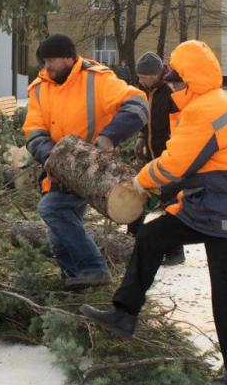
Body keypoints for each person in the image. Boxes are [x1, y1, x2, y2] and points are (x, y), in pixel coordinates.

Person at [80, 40, 227, 385]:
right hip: (218, 204)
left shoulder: (206, 109)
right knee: (153, 237)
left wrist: (139, 183)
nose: (170, 85)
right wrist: (175, 204)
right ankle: (124, 314)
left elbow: (175, 164)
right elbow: (205, 170)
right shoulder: (205, 104)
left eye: (175, 79)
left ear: (190, 79)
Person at [23, 34, 148, 290]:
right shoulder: (39, 87)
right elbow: (34, 130)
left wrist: (109, 137)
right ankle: (75, 282)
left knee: (52, 210)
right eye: (44, 60)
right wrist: (51, 156)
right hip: (57, 168)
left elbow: (137, 104)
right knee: (59, 228)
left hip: (92, 167)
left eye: (52, 60)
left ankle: (93, 268)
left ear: (70, 58)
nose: (47, 66)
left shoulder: (97, 79)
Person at [129, 51, 184, 266]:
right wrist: (142, 136)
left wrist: (173, 151)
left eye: (143, 76)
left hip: (168, 154)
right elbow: (145, 116)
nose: (140, 80)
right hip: (149, 153)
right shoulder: (145, 90)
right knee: (140, 195)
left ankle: (175, 251)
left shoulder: (171, 91)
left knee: (169, 202)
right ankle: (131, 240)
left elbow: (179, 125)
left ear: (155, 75)